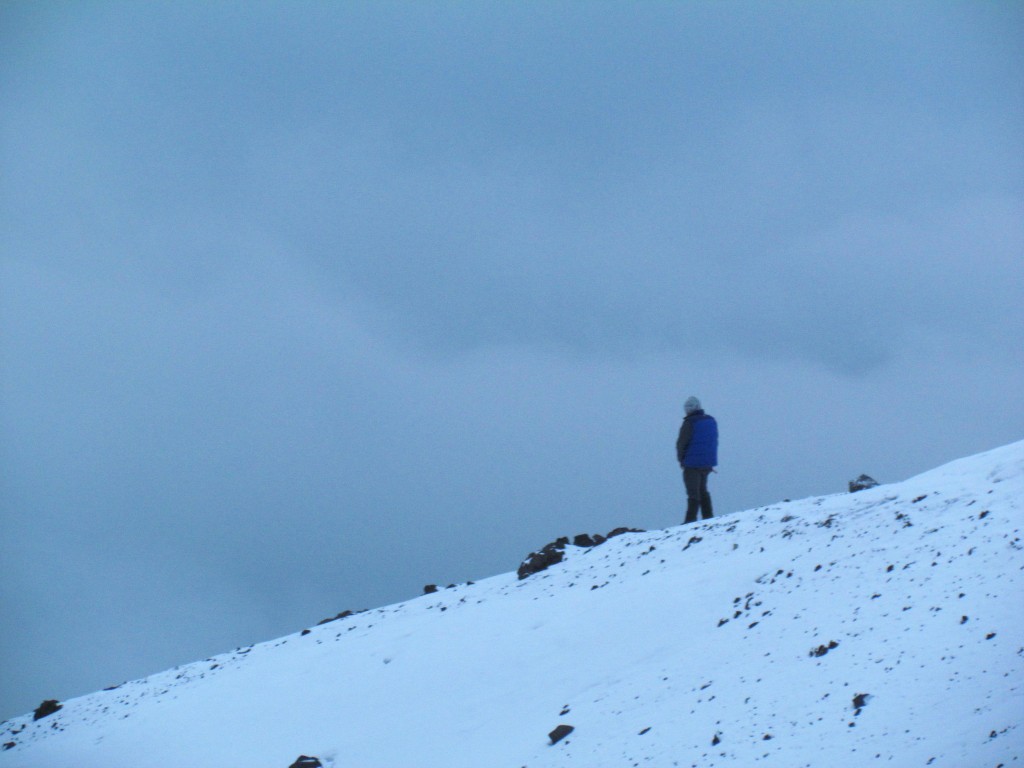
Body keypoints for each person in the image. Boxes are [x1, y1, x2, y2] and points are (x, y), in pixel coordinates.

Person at [676, 395, 718, 524]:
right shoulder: (711, 421)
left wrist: (681, 460)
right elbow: (713, 440)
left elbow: (681, 443)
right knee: (703, 491)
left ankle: (690, 521)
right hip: (707, 463)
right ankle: (708, 517)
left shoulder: (689, 423)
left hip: (692, 464)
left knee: (693, 493)